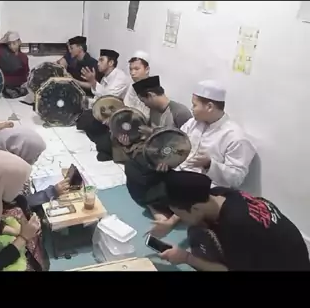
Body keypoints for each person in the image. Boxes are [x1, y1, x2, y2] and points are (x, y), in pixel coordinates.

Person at [148, 79, 257, 236]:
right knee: (140, 169)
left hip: (207, 187)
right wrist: (167, 161)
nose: (191, 109)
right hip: (180, 174)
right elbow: (177, 147)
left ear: (210, 107)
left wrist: (209, 164)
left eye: (194, 105)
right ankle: (169, 211)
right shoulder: (192, 123)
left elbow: (236, 179)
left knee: (164, 190)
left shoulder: (235, 137)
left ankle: (170, 217)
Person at [157, 171, 310, 272]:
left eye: (180, 215)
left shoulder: (235, 225)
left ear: (195, 208)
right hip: (289, 252)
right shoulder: (219, 194)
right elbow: (191, 210)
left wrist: (186, 258)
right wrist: (170, 223)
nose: (182, 220)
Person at [125, 76, 192, 210]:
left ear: (150, 95)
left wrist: (169, 161)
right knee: (131, 166)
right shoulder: (154, 110)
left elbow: (186, 146)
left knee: (146, 178)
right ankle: (150, 202)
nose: (145, 105)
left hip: (173, 162)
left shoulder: (180, 113)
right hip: (157, 155)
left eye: (144, 101)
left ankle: (155, 205)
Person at [86, 51, 152, 162]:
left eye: (137, 69)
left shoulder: (152, 89)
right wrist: (114, 119)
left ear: (147, 69)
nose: (133, 73)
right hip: (126, 123)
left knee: (103, 146)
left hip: (138, 130)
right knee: (94, 128)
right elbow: (125, 107)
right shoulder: (133, 86)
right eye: (131, 69)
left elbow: (144, 118)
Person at [0, 127, 71, 207]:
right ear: (19, 151)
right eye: (36, 155)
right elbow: (21, 204)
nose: (36, 159)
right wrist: (52, 192)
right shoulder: (6, 174)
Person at [76, 49, 131, 144]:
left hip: (114, 115)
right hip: (105, 110)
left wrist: (93, 81)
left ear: (111, 63)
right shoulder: (106, 76)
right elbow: (98, 97)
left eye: (101, 60)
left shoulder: (120, 78)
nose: (98, 63)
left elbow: (109, 99)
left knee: (89, 122)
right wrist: (86, 101)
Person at [0, 31, 29, 98]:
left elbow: (26, 73)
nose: (12, 46)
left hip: (19, 83)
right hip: (5, 83)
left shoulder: (23, 57)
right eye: (9, 44)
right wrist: (1, 41)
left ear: (19, 42)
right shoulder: (3, 53)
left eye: (14, 43)